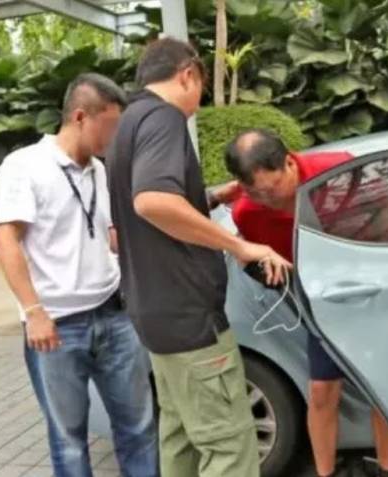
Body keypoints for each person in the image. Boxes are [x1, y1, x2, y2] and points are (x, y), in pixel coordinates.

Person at [105, 38, 290, 477]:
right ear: (188, 74)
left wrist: (210, 197)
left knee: (182, 440)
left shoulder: (128, 123)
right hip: (190, 320)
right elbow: (152, 202)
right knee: (230, 448)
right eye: (201, 89)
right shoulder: (163, 118)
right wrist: (240, 246)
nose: (198, 103)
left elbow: (134, 219)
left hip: (156, 318)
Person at [0, 73, 158, 477]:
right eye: (111, 126)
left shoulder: (100, 171)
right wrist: (34, 312)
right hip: (56, 327)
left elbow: (109, 235)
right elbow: (7, 241)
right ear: (81, 117)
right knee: (68, 441)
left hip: (115, 316)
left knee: (139, 429)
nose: (115, 137)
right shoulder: (24, 167)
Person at [217, 129, 388, 477]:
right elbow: (260, 259)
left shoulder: (340, 172)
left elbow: (387, 203)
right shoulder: (248, 212)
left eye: (272, 188)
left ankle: (387, 468)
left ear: (289, 163)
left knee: (382, 386)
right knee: (321, 390)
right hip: (323, 304)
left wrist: (381, 252)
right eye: (256, 192)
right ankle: (325, 472)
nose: (267, 199)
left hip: (374, 293)